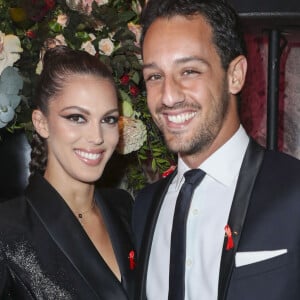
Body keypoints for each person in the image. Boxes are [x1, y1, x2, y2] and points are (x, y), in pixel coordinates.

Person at [132, 0, 300, 299]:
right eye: (155, 76)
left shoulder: (294, 191)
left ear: (235, 75)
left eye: (189, 71)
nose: (168, 96)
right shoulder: (143, 208)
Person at [0, 45, 135, 299]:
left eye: (108, 119)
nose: (96, 137)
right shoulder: (8, 228)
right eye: (76, 118)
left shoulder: (125, 208)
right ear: (42, 123)